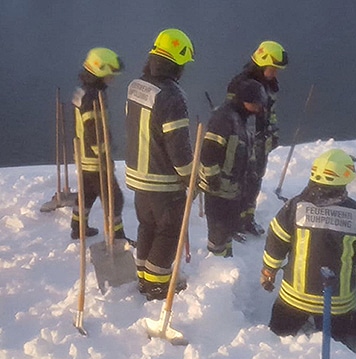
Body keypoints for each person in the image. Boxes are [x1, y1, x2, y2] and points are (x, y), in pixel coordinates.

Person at [260, 149, 356, 343]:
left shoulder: (295, 207)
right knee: (335, 351)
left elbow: (276, 241)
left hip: (294, 298)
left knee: (275, 342)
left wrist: (268, 271)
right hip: (336, 303)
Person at [124, 29, 195, 300]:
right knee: (169, 231)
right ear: (178, 64)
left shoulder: (136, 86)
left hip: (138, 175)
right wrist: (190, 177)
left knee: (147, 225)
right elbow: (178, 145)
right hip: (162, 179)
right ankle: (156, 285)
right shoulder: (172, 96)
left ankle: (143, 274)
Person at [199, 79, 268, 257]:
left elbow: (244, 149)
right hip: (218, 187)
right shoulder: (224, 119)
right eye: (255, 104)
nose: (258, 108)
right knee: (218, 229)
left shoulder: (242, 119)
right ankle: (216, 262)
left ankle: (225, 258)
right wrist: (213, 177)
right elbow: (208, 151)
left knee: (227, 227)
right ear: (244, 100)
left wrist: (250, 172)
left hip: (232, 187)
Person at [226, 40, 288, 236]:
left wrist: (274, 133)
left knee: (254, 180)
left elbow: (271, 112)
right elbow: (230, 115)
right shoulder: (240, 84)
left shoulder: (269, 85)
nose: (275, 73)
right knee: (239, 181)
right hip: (242, 142)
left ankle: (247, 219)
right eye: (273, 68)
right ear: (261, 64)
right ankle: (233, 222)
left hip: (261, 141)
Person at [70, 47, 127, 240]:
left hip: (83, 156)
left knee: (87, 193)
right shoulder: (94, 97)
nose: (112, 78)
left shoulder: (83, 91)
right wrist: (104, 156)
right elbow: (95, 130)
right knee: (114, 198)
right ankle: (117, 236)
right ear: (100, 70)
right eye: (110, 74)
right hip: (95, 159)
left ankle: (78, 226)